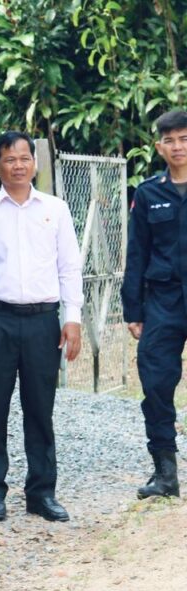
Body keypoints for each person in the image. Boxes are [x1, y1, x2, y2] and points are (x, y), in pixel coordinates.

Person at [0, 131, 84, 522]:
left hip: (43, 321)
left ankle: (41, 493)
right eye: (10, 159)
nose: (18, 165)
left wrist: (73, 317)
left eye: (25, 158)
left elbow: (69, 267)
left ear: (34, 162)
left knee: (40, 408)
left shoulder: (55, 210)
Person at [122, 109, 187, 499]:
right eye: (170, 140)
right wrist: (133, 310)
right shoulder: (148, 193)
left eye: (184, 139)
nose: (178, 147)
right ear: (159, 147)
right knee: (157, 383)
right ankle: (165, 474)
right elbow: (137, 253)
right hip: (163, 301)